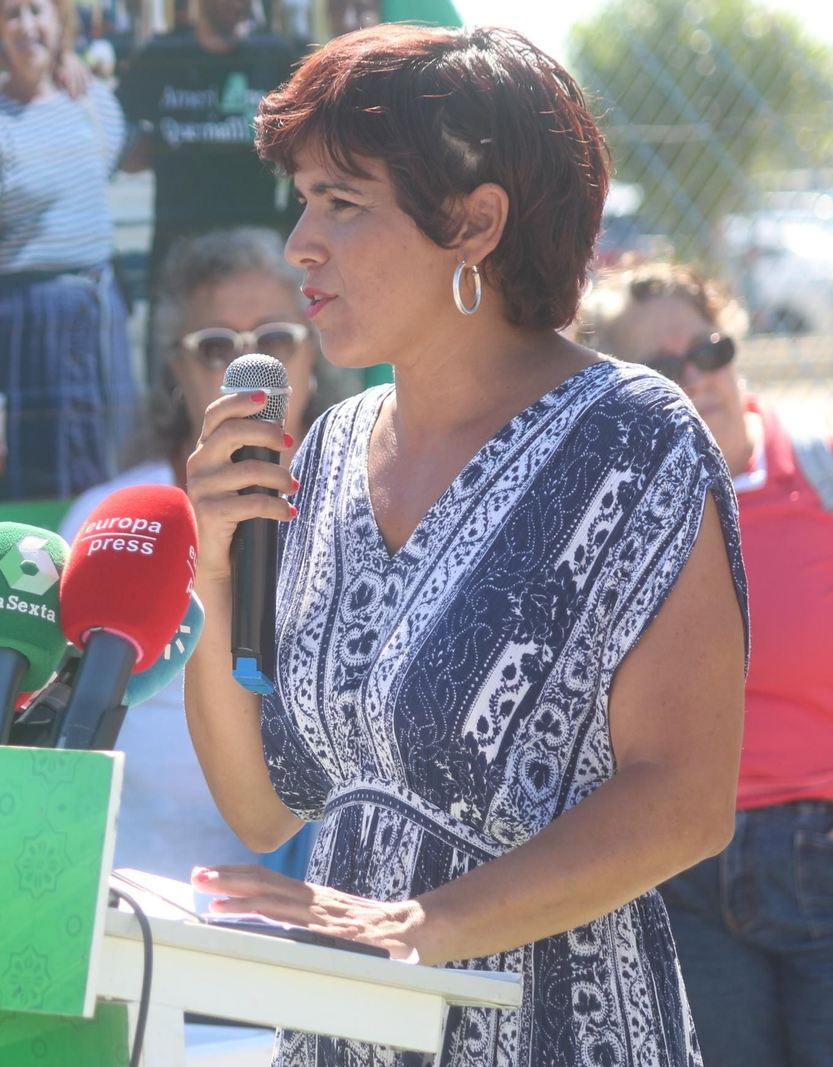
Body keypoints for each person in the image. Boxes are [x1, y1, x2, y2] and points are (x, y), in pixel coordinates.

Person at [181, 25, 747, 1067]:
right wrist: (216, 571)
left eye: (342, 202)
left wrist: (422, 925)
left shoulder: (634, 439)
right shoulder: (328, 449)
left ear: (476, 222)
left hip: (557, 1034)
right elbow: (261, 808)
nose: (300, 242)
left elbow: (685, 800)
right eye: (302, 200)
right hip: (347, 1033)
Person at [578, 261, 833, 1067]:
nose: (698, 377)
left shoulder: (821, 475)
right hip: (682, 866)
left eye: (710, 349)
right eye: (662, 367)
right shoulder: (612, 517)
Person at [59, 226, 357, 881]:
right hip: (129, 894)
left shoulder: (366, 508)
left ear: (314, 354)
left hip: (304, 905)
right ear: (178, 369)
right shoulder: (111, 517)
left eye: (275, 340)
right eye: (217, 347)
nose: (248, 367)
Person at [0, 0, 133, 502]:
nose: (26, 25)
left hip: (100, 321)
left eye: (38, 10)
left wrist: (69, 63)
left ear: (60, 20)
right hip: (35, 334)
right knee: (47, 501)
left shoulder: (95, 104)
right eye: (11, 14)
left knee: (112, 491)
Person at [116, 0, 304, 287]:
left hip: (253, 255)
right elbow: (114, 122)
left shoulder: (275, 56)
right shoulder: (163, 55)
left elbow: (306, 144)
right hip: (177, 257)